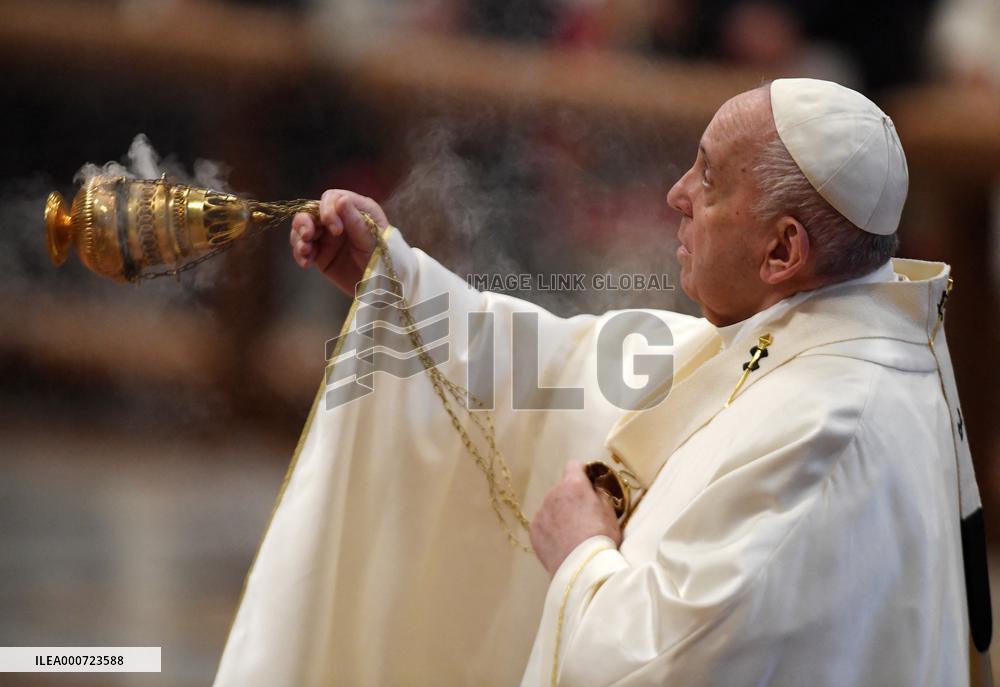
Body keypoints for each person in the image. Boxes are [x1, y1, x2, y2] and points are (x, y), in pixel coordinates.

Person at [216, 79, 990, 686]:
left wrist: (582, 551)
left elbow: (653, 667)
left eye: (709, 178)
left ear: (782, 252)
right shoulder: (821, 339)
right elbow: (572, 366)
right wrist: (399, 284)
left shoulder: (827, 427)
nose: (676, 195)